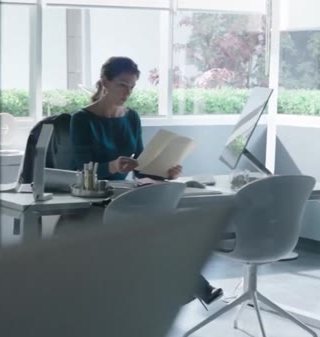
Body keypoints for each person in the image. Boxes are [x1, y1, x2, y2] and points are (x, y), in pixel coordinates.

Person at [70, 56, 223, 305]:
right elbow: (81, 168)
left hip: (124, 195)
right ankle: (192, 287)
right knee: (157, 228)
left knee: (164, 224)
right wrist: (112, 165)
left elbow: (141, 168)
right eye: (122, 85)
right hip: (94, 200)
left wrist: (165, 172)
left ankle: (184, 288)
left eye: (131, 87)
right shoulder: (81, 119)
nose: (127, 92)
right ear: (105, 82)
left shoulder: (131, 117)